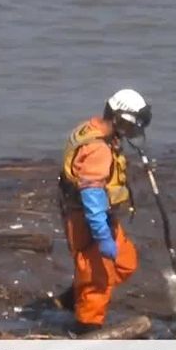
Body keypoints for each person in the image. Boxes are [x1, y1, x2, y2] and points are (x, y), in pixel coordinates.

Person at [55, 89, 151, 333]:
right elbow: (92, 198)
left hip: (101, 217)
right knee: (97, 283)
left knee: (125, 262)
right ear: (119, 119)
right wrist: (102, 235)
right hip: (87, 221)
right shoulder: (98, 149)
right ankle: (87, 331)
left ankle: (73, 296)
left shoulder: (93, 129)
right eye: (130, 128)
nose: (131, 134)